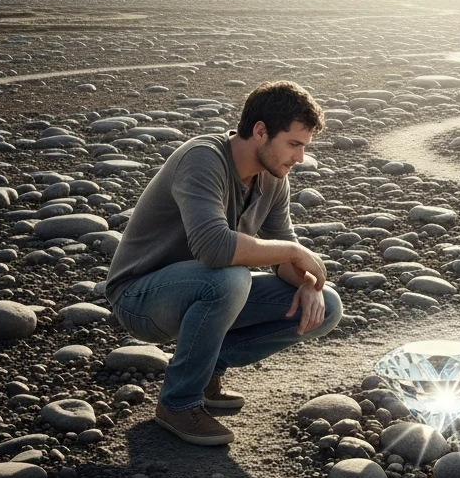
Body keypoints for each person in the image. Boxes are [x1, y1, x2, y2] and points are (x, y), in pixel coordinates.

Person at [104, 79, 343, 446]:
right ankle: (178, 403)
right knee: (230, 278)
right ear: (260, 131)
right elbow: (214, 248)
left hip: (203, 290)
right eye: (294, 144)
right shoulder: (202, 158)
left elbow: (283, 254)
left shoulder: (274, 177)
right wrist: (295, 254)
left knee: (327, 306)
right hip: (141, 297)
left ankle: (208, 372)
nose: (300, 158)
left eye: (304, 147)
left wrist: (310, 284)